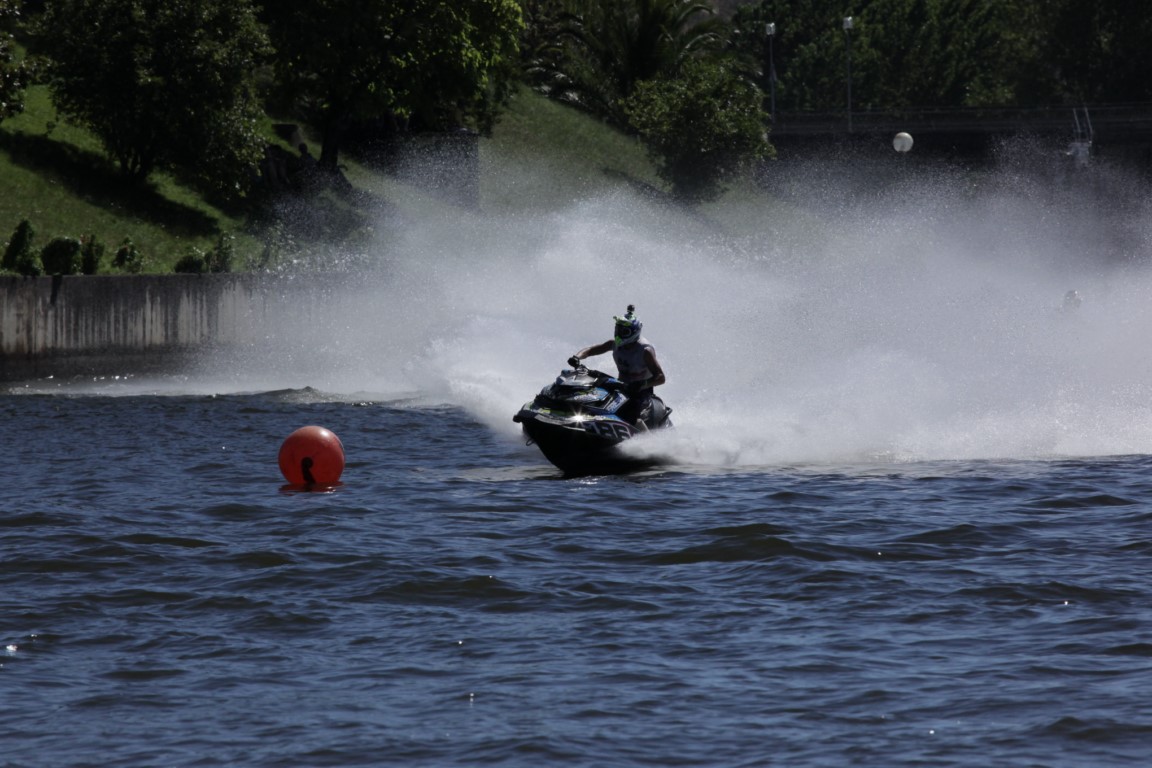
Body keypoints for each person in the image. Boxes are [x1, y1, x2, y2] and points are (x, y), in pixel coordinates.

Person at [569, 305, 666, 427]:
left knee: (631, 415)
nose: (619, 334)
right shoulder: (614, 344)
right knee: (592, 394)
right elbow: (590, 350)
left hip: (641, 391)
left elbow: (661, 377)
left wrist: (642, 384)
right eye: (618, 330)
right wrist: (577, 357)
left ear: (634, 332)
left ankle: (644, 439)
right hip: (621, 386)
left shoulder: (645, 350)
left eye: (624, 331)